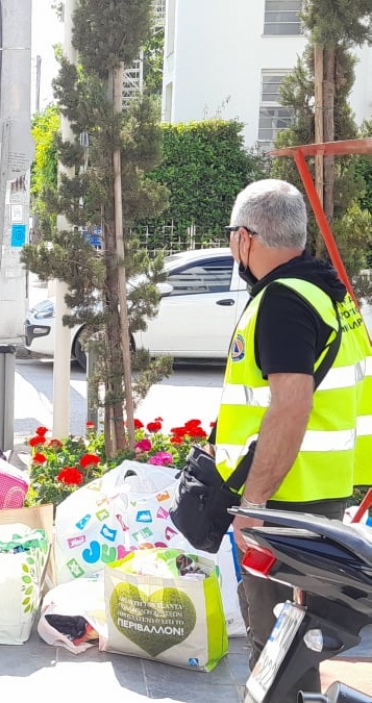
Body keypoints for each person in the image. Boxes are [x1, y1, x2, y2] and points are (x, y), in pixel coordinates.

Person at [215, 179, 372, 700]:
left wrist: (254, 503)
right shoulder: (328, 291)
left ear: (246, 238)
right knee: (301, 642)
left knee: (278, 647)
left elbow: (291, 406)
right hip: (321, 495)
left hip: (284, 503)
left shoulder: (283, 300)